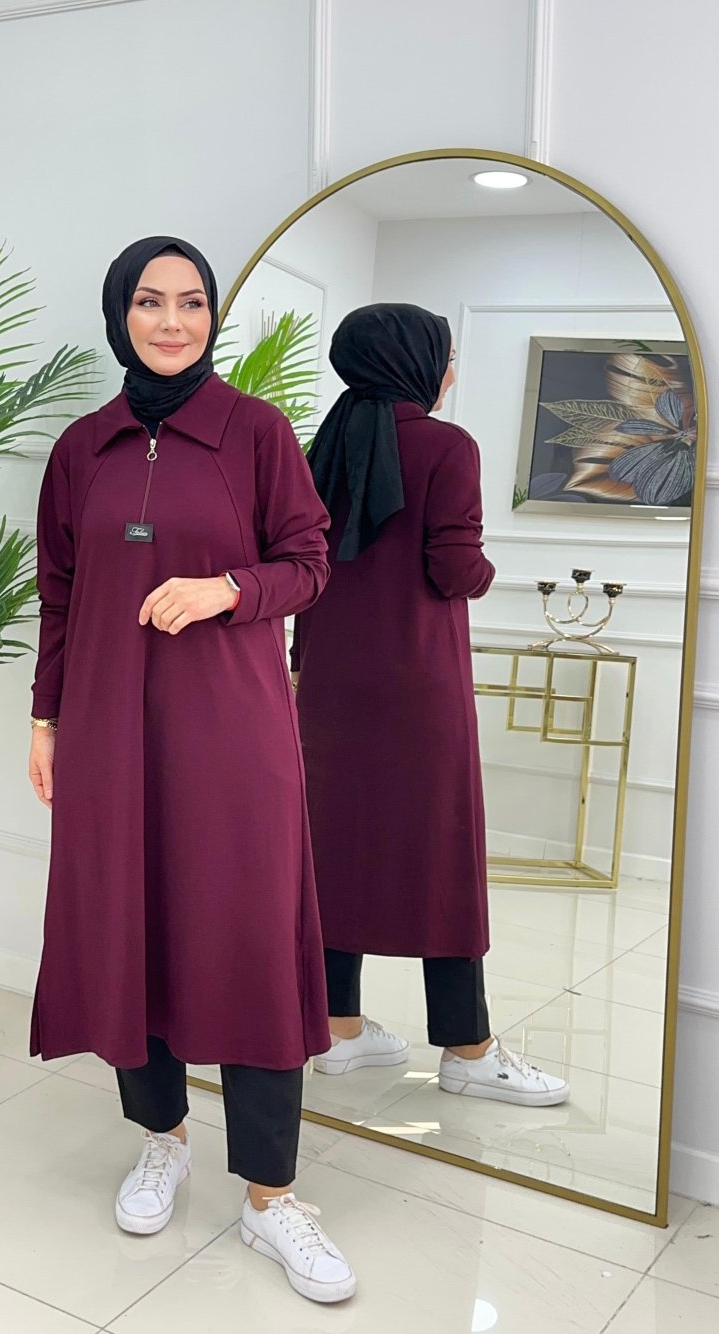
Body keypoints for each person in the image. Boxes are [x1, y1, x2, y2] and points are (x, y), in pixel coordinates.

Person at [27, 236, 356, 1304]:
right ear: (119, 313)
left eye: (192, 303)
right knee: (132, 926)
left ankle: (270, 1195)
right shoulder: (83, 448)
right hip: (107, 730)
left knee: (249, 939)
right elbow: (61, 595)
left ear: (213, 317)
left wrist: (226, 591)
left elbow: (309, 563)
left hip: (233, 735)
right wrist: (45, 718)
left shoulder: (255, 432)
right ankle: (160, 1136)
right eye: (150, 302)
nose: (172, 322)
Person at [292, 303, 569, 1108]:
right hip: (417, 689)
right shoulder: (449, 447)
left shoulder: (323, 446)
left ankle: (339, 1030)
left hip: (327, 686)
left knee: (334, 847)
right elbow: (454, 569)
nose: (451, 372)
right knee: (443, 856)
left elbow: (306, 567)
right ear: (415, 363)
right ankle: (468, 1048)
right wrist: (487, 570)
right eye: (446, 356)